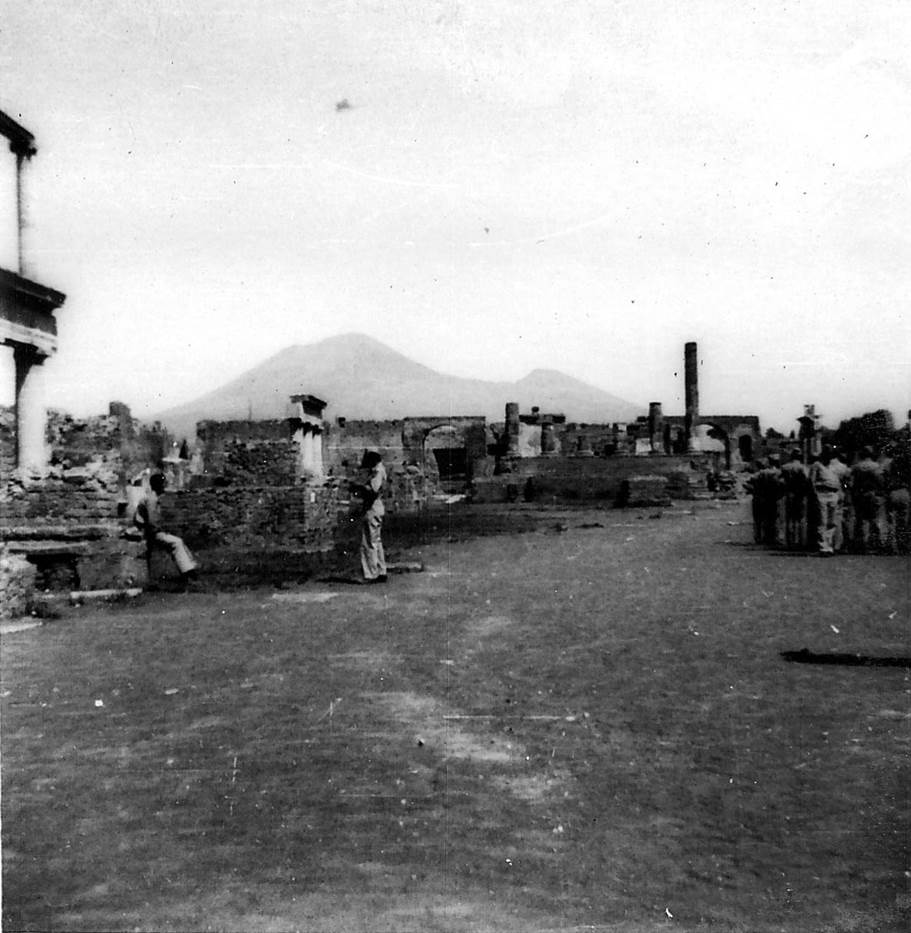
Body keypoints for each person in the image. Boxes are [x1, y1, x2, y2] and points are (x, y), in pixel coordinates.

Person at [133, 472, 199, 585]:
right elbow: (152, 522)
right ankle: (188, 573)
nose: (164, 487)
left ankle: (190, 570)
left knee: (178, 542)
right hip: (147, 532)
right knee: (176, 542)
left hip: (150, 530)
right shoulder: (151, 499)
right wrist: (160, 532)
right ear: (158, 485)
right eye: (163, 484)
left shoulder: (153, 498)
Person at [357, 451, 387, 583]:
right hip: (377, 507)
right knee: (376, 541)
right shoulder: (380, 470)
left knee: (369, 542)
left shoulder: (377, 471)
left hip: (372, 508)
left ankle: (371, 573)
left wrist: (360, 487)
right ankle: (381, 570)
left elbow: (373, 490)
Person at [808, 445, 842, 556]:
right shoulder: (817, 465)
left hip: (833, 493)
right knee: (822, 520)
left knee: (832, 522)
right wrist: (815, 495)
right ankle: (823, 546)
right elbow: (811, 481)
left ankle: (829, 545)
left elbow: (839, 480)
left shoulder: (834, 466)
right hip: (821, 493)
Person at [850, 446, 885, 553]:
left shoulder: (856, 467)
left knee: (862, 520)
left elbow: (852, 483)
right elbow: (881, 481)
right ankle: (878, 543)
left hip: (860, 495)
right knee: (875, 519)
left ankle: (863, 544)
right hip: (873, 494)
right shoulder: (876, 466)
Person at [779, 449, 809, 550]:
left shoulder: (785, 467)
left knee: (789, 519)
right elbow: (806, 480)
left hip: (789, 493)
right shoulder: (803, 468)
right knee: (801, 518)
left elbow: (780, 481)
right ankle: (800, 540)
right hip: (800, 494)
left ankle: (790, 541)